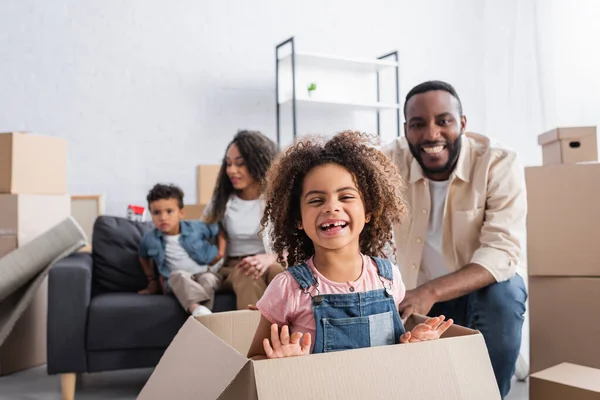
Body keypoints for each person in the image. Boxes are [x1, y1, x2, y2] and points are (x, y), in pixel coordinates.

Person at [247, 131, 453, 359]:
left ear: (368, 211)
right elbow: (255, 359)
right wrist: (282, 362)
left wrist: (413, 343)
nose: (331, 207)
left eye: (345, 197)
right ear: (297, 219)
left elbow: (392, 353)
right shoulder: (288, 288)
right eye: (316, 200)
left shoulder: (389, 278)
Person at [383, 80, 527, 398]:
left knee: (504, 298)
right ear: (405, 130)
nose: (432, 135)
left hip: (480, 291)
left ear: (462, 123)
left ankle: (492, 391)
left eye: (443, 121)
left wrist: (430, 291)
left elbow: (502, 252)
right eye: (418, 124)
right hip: (416, 291)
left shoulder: (498, 161)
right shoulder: (388, 161)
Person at [203, 130, 285, 310]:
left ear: (259, 163)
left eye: (240, 164)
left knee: (282, 273)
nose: (231, 170)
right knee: (250, 274)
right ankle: (253, 337)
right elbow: (203, 240)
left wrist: (271, 258)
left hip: (271, 260)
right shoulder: (220, 203)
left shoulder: (279, 201)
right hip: (233, 267)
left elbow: (297, 245)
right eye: (228, 164)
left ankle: (296, 333)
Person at [138, 183, 226, 317]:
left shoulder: (196, 227)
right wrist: (152, 280)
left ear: (181, 213)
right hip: (177, 281)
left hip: (203, 273)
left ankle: (202, 317)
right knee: (177, 275)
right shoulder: (149, 239)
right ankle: (196, 309)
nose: (163, 218)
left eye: (169, 211)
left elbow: (219, 229)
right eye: (156, 213)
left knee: (208, 279)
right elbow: (143, 256)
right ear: (151, 214)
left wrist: (220, 253)